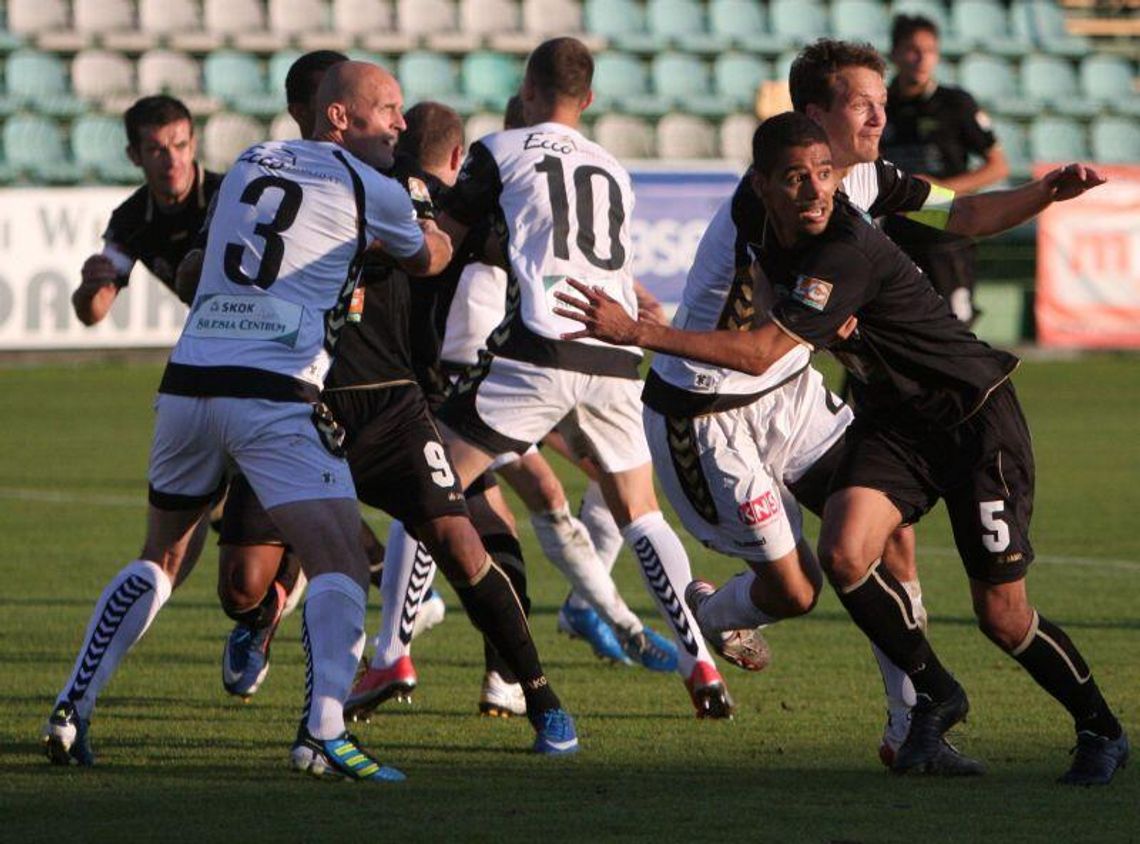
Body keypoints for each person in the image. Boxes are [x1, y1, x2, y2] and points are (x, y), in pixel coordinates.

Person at [557, 110, 1128, 786]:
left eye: (823, 176)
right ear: (764, 183)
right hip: (896, 423)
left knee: (1002, 617)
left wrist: (641, 331)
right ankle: (932, 699)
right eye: (798, 178)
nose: (817, 189)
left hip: (972, 419)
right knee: (847, 552)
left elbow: (764, 349)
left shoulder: (843, 246)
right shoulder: (763, 215)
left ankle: (1100, 728)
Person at [40, 61, 568, 782]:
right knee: (343, 561)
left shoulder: (251, 163)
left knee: (160, 559)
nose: (401, 122)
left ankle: (72, 707)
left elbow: (199, 270)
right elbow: (433, 255)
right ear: (340, 118)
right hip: (275, 392)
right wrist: (413, 225)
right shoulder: (368, 185)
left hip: (190, 385)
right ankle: (323, 729)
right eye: (386, 109)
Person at [434, 37, 736, 718]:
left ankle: (391, 651)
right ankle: (702, 665)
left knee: (431, 483)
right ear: (590, 100)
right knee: (641, 511)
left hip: (540, 349)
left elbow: (447, 244)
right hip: (614, 352)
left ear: (529, 89)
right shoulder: (614, 168)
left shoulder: (501, 149)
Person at [882, 14, 1010, 324]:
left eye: (930, 49)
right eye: (913, 49)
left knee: (953, 330)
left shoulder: (955, 104)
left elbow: (997, 166)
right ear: (896, 53)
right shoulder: (879, 105)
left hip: (946, 235)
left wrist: (940, 192)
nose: (922, 57)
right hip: (894, 237)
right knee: (889, 335)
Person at [72, 95, 221, 325]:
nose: (172, 160)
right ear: (134, 155)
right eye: (156, 150)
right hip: (217, 330)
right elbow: (94, 313)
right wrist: (88, 289)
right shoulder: (131, 219)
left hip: (270, 321)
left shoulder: (230, 193)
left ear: (193, 145)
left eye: (180, 146)